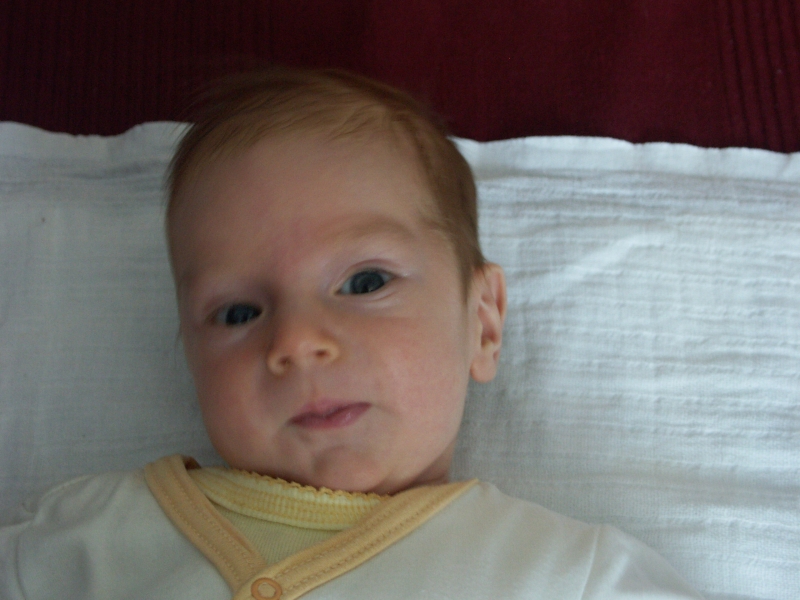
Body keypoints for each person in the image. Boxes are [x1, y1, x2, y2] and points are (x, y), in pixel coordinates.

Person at [0, 68, 703, 599]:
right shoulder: (81, 537)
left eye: (365, 282)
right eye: (239, 313)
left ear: (482, 323)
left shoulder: (566, 574)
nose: (296, 341)